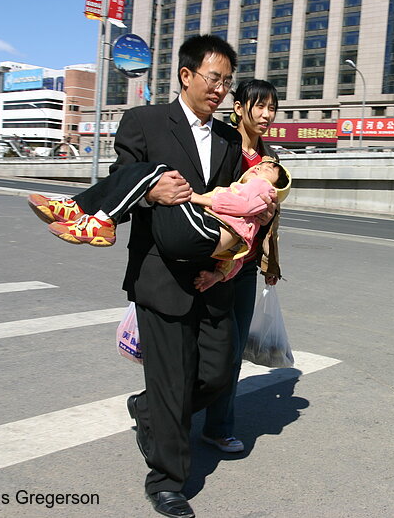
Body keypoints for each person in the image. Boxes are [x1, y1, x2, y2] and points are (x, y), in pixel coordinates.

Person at [57, 34, 273, 518]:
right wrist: (152, 194)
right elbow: (123, 180)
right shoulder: (145, 122)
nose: (220, 89)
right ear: (187, 75)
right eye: (213, 78)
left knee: (218, 372)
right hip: (160, 275)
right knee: (172, 379)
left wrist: (229, 261)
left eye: (226, 82)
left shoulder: (226, 140)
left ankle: (149, 409)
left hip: (210, 276)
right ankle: (168, 480)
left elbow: (232, 208)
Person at [27, 158, 291, 291]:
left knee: (159, 172)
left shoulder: (260, 189)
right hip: (210, 237)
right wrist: (217, 276)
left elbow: (239, 205)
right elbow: (234, 258)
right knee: (151, 173)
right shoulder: (251, 215)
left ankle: (93, 215)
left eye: (267, 169)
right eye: (259, 166)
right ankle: (83, 210)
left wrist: (197, 197)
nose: (258, 169)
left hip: (207, 229)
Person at [201, 79, 283, 453]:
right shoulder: (221, 147)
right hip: (215, 261)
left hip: (246, 267)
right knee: (211, 350)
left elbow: (270, 219)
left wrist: (271, 261)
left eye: (272, 108)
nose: (266, 115)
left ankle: (218, 426)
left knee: (232, 353)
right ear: (238, 108)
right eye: (259, 106)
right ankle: (158, 403)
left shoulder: (270, 160)